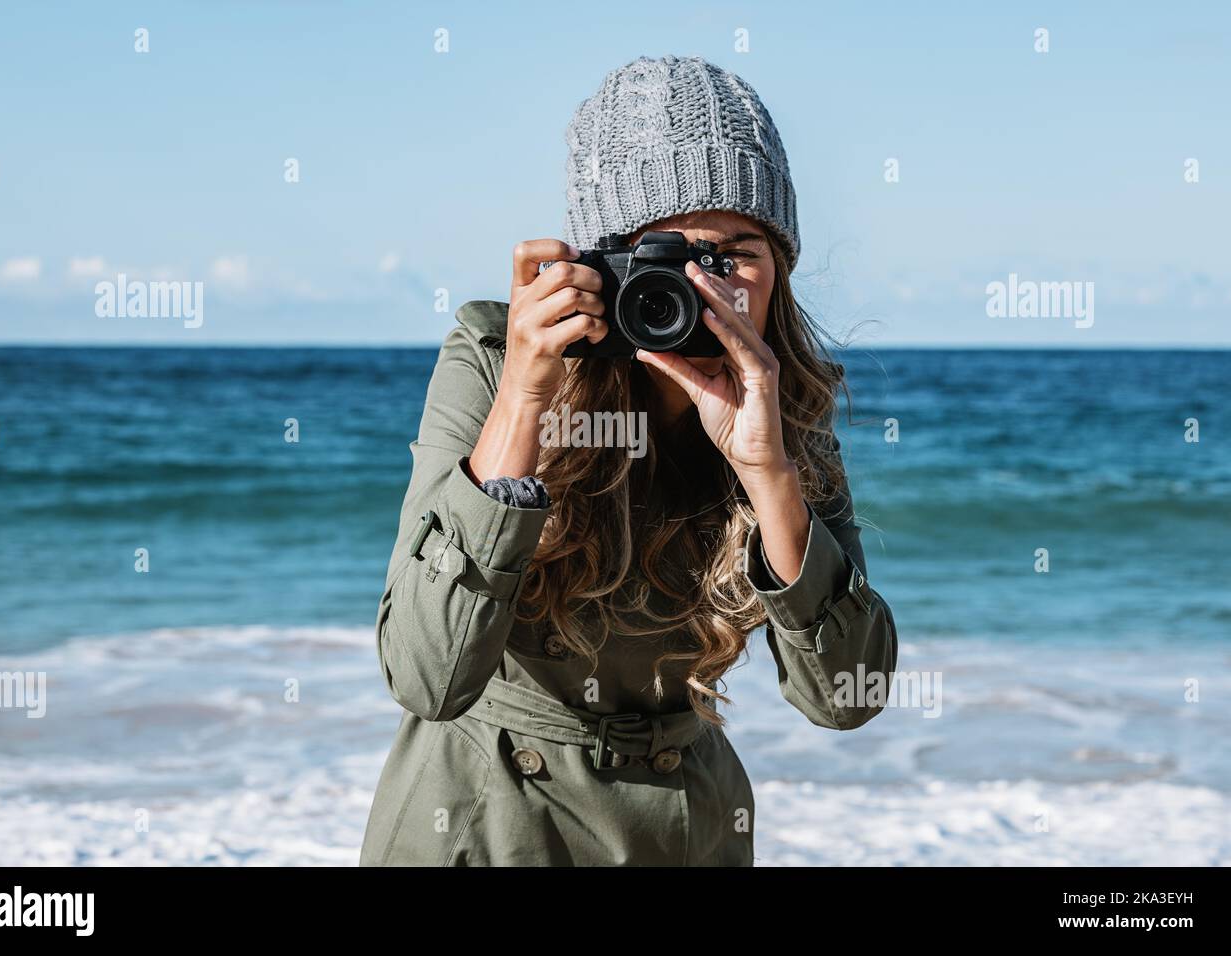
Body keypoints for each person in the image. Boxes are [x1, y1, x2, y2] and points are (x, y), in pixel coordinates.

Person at [360, 54, 898, 866]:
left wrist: (768, 470)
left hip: (685, 825)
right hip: (485, 818)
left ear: (780, 265)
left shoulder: (781, 404)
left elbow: (847, 697)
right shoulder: (493, 355)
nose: (705, 288)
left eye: (738, 254)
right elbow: (428, 679)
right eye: (672, 255)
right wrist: (525, 399)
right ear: (605, 265)